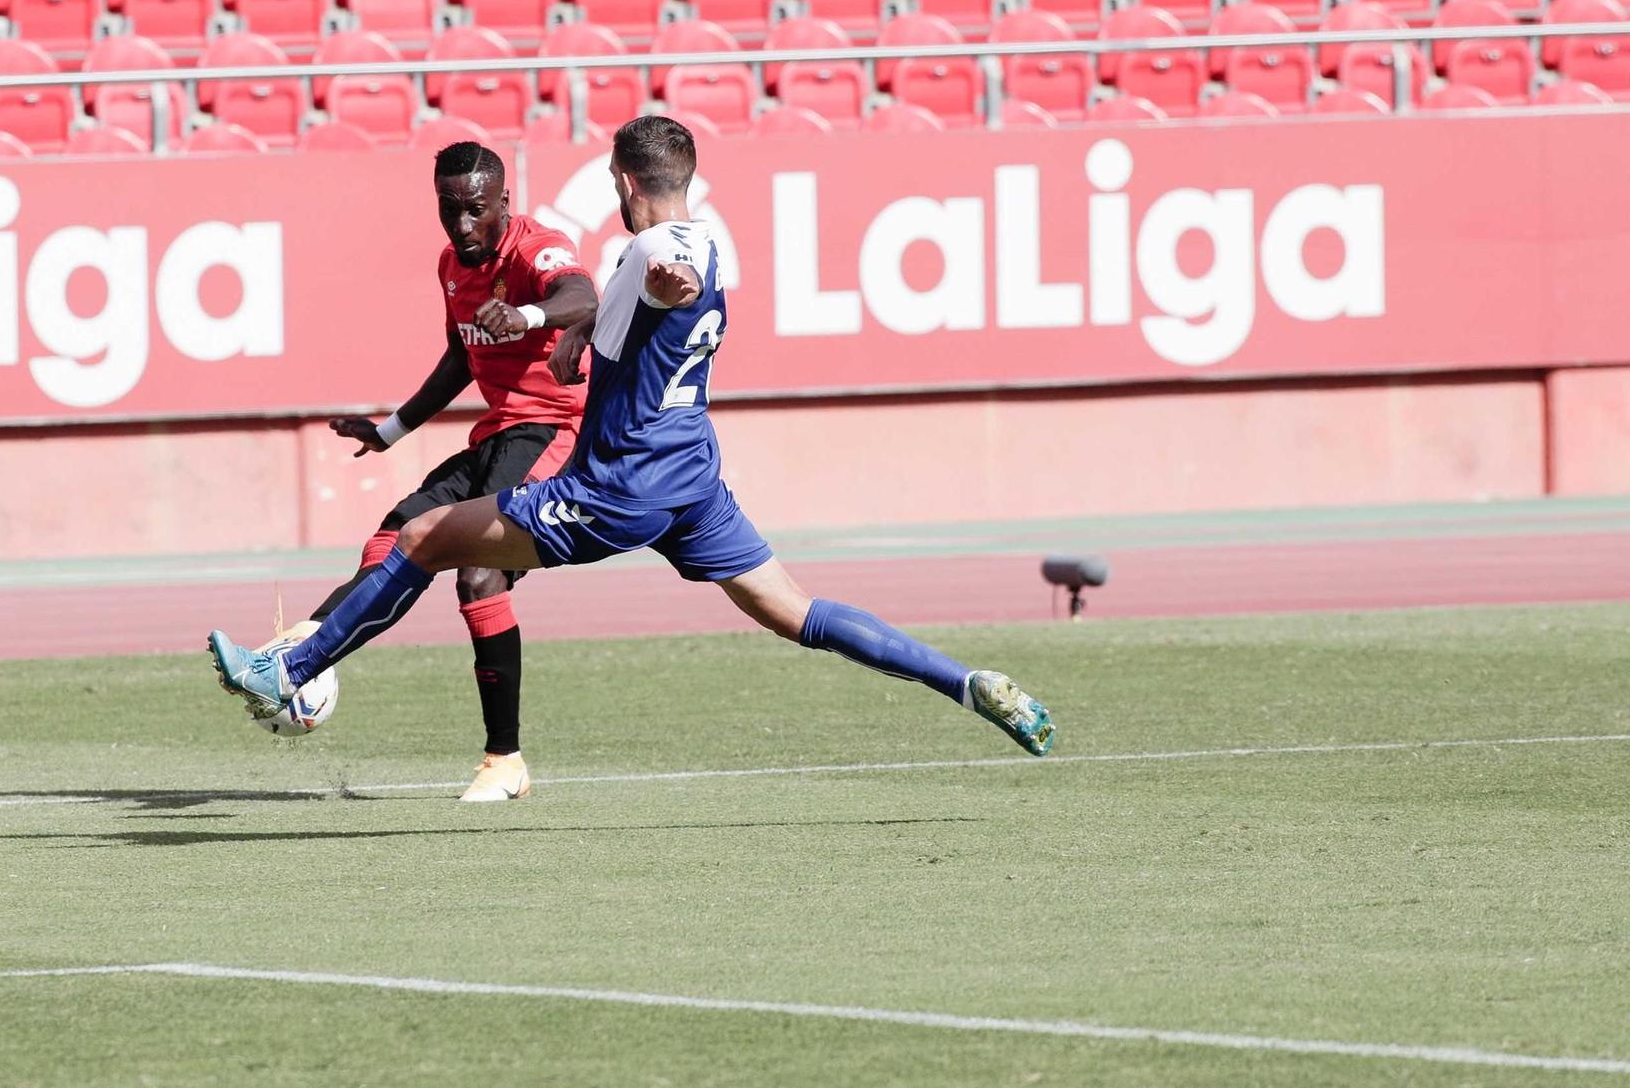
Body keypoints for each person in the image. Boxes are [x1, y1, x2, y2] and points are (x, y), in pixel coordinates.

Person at [211, 117, 1054, 766]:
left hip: (618, 483)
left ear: (623, 178)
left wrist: (637, 297)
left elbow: (655, 282)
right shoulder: (713, 240)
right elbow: (636, 310)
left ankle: (292, 668)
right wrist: (595, 330)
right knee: (798, 610)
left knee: (426, 537)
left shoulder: (650, 253)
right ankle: (966, 682)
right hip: (694, 477)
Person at [270, 141, 597, 802]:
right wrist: (391, 430)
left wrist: (530, 314)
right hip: (498, 435)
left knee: (479, 572)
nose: (462, 225)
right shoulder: (451, 263)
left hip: (556, 436)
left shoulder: (537, 249)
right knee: (393, 533)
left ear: (504, 202)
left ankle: (505, 761)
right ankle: (302, 647)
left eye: (475, 210)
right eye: (449, 210)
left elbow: (581, 294)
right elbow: (460, 356)